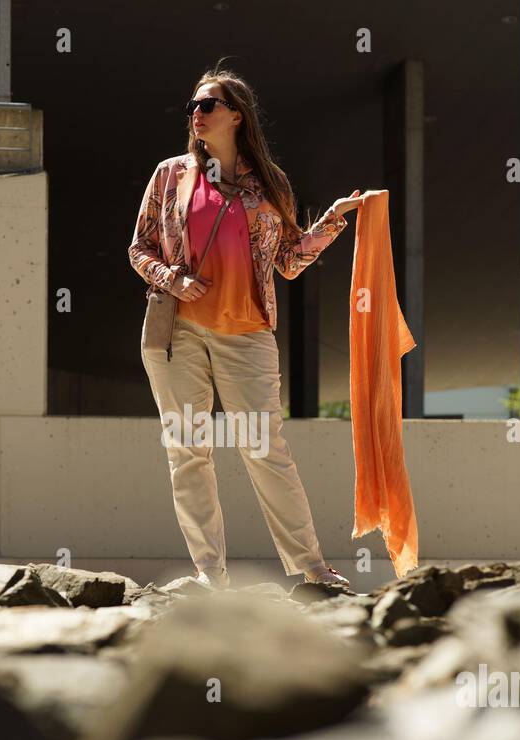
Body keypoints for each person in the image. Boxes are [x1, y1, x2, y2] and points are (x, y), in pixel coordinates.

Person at [128, 64, 370, 590]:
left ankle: (312, 567)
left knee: (264, 449)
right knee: (187, 450)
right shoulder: (170, 175)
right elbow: (139, 248)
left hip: (247, 334)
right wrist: (170, 277)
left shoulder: (269, 183)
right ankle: (209, 573)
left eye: (207, 105)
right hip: (179, 335)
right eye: (192, 106)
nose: (195, 114)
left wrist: (329, 223)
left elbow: (286, 260)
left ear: (236, 115)